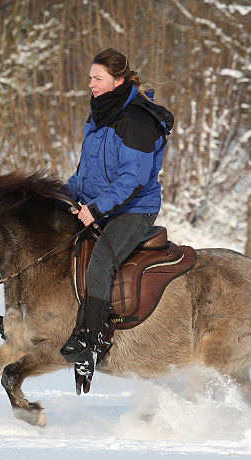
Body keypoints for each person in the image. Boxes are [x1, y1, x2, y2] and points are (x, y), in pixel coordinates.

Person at [60, 48, 174, 393]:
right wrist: (64, 195)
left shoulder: (137, 120)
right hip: (98, 204)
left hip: (132, 209)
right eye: (91, 77)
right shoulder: (99, 115)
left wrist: (95, 209)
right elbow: (87, 171)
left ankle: (92, 346)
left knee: (99, 266)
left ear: (118, 80)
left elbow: (133, 178)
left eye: (97, 78)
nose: (90, 84)